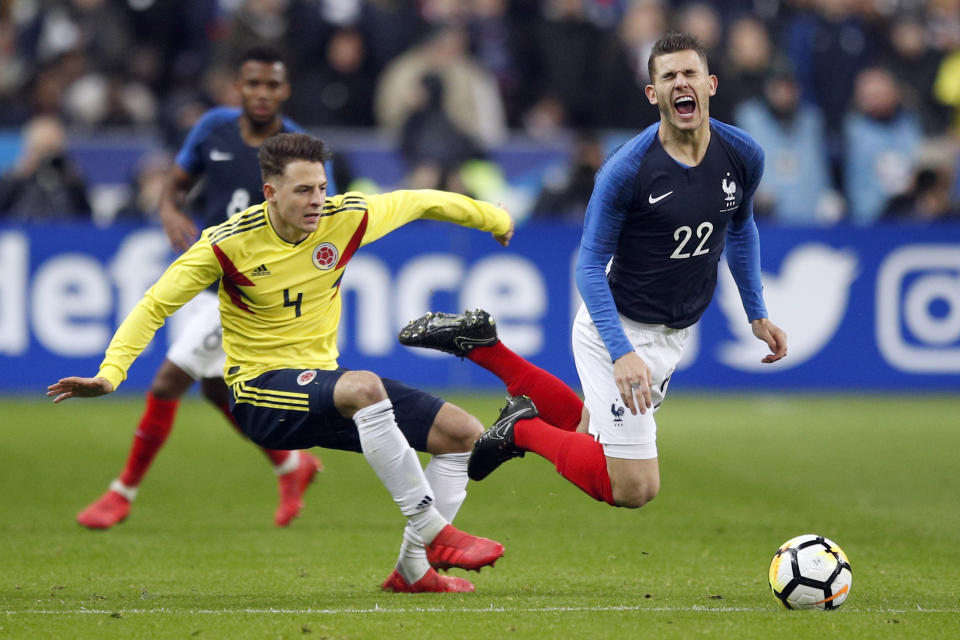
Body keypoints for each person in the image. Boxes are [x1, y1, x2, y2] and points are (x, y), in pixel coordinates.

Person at [49, 132, 512, 594]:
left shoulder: (345, 219)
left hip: (323, 386)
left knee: (462, 434)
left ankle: (412, 570)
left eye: (322, 187)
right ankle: (433, 530)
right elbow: (155, 305)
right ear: (270, 192)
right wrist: (111, 373)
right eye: (303, 190)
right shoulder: (226, 244)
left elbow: (420, 201)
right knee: (365, 386)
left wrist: (493, 217)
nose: (318, 201)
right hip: (259, 395)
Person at [400, 32, 787, 511]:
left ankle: (487, 349)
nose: (680, 83)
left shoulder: (743, 154)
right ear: (653, 94)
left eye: (689, 74)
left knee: (588, 431)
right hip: (618, 327)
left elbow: (742, 228)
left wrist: (757, 312)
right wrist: (622, 352)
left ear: (710, 84)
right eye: (668, 76)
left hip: (674, 331)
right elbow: (588, 264)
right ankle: (520, 428)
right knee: (633, 487)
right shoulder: (627, 169)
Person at [75, 47, 323, 531]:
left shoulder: (298, 152)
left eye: (272, 85)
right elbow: (179, 177)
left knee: (169, 380)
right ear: (239, 86)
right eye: (254, 84)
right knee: (213, 389)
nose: (262, 94)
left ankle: (121, 492)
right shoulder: (213, 127)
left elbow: (317, 222)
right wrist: (170, 208)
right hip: (206, 277)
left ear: (284, 91)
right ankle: (291, 465)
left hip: (249, 294)